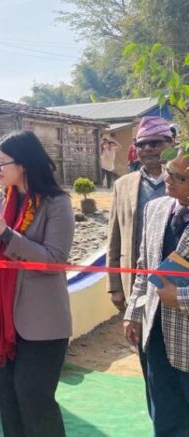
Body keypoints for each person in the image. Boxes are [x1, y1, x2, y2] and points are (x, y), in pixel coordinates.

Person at [0, 131, 74, 437]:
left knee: (34, 398)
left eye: (2, 163)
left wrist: (8, 235)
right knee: (7, 399)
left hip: (41, 322)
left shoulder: (56, 203)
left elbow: (54, 260)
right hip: (1, 317)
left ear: (23, 163)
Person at [107, 116, 174, 414]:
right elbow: (114, 238)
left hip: (179, 292)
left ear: (171, 144)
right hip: (140, 290)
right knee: (149, 362)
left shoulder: (182, 179)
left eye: (155, 143)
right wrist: (115, 286)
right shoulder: (123, 185)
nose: (148, 149)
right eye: (142, 144)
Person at [124, 153, 189, 436]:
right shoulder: (155, 209)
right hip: (158, 337)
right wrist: (134, 313)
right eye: (168, 170)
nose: (167, 179)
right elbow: (144, 267)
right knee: (164, 420)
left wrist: (181, 297)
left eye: (179, 177)